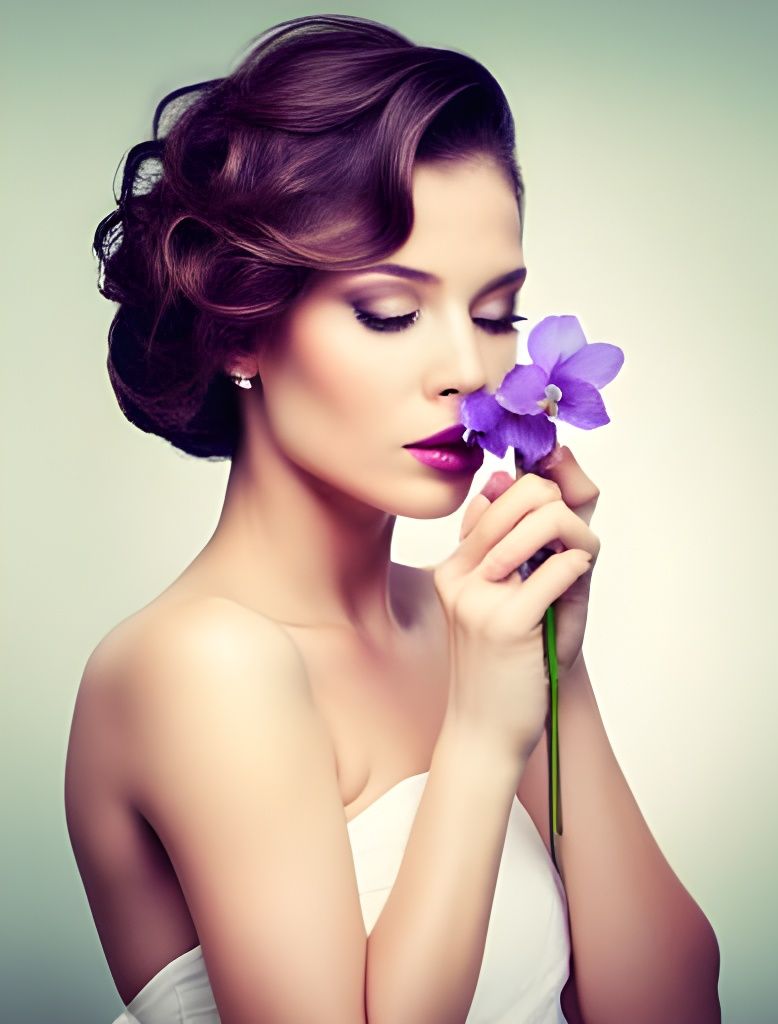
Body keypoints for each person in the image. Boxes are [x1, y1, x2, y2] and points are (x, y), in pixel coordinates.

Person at [65, 13, 720, 1024]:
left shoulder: (467, 624)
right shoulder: (199, 663)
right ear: (241, 325)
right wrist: (476, 737)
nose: (469, 372)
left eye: (496, 313)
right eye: (389, 312)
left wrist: (556, 658)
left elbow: (670, 1007)